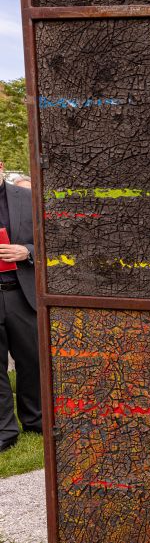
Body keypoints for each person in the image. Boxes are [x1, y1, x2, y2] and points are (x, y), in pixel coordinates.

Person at [0, 161, 40, 452]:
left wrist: (28, 251)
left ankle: (36, 420)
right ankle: (5, 430)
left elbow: (56, 238)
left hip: (20, 292)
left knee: (32, 360)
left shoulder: (28, 196)